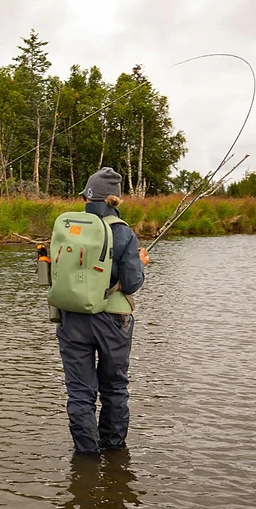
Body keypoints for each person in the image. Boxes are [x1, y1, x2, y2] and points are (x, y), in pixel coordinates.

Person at [57, 167, 149, 456]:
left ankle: (86, 458)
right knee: (114, 388)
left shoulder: (69, 228)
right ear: (116, 201)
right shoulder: (124, 233)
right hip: (113, 321)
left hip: (72, 318)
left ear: (88, 197)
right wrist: (140, 262)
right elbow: (132, 283)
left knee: (80, 392)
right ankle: (114, 451)